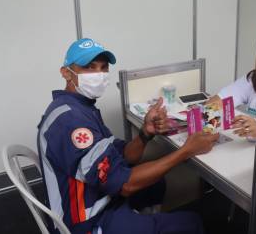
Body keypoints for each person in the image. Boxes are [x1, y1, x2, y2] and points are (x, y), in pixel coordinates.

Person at [37, 38, 219, 234]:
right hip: (87, 222)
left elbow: (124, 155)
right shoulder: (70, 121)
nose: (98, 75)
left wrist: (145, 134)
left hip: (99, 199)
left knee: (155, 183)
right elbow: (125, 184)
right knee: (191, 223)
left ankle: (142, 223)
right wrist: (186, 151)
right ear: (66, 72)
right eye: (89, 68)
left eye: (103, 68)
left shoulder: (80, 108)